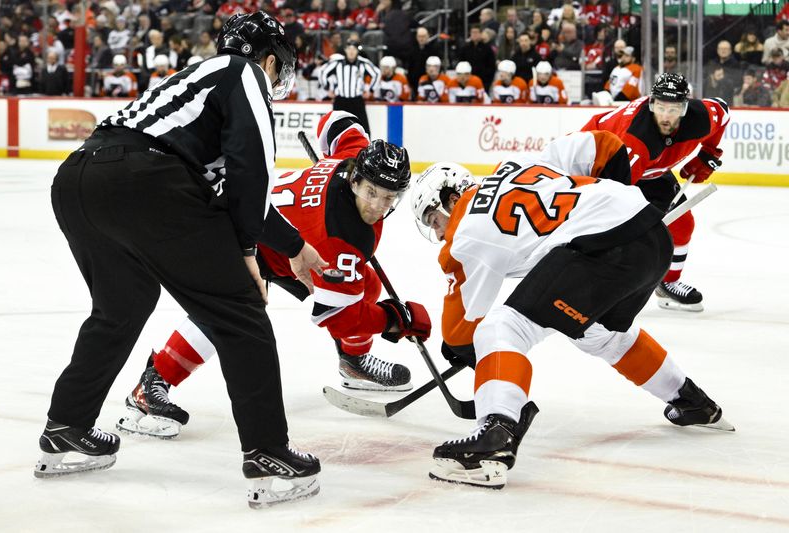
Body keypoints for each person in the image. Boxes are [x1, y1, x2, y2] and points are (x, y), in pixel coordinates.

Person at [35, 12, 328, 508]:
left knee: (119, 309)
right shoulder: (245, 73)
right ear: (271, 59)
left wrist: (295, 246)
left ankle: (66, 426)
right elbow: (248, 172)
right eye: (280, 69)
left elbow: (219, 183)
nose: (277, 79)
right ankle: (268, 453)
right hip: (146, 182)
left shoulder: (192, 85)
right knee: (240, 313)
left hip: (80, 179)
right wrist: (247, 252)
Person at [409, 135, 732, 489]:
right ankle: (692, 401)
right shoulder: (519, 167)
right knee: (601, 336)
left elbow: (459, 331)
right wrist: (615, 200)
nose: (439, 233)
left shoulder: (464, 234)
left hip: (600, 249)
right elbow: (605, 145)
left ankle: (493, 439)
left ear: (451, 197)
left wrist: (463, 352)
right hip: (652, 237)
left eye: (434, 219)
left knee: (501, 329)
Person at [118, 111, 432, 437]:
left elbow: (336, 121)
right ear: (354, 180)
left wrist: (328, 161)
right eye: (371, 193)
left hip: (272, 234)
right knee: (231, 310)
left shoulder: (353, 157)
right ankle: (150, 386)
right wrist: (393, 320)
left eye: (389, 197)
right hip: (232, 232)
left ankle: (354, 362)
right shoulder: (337, 240)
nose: (378, 207)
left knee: (367, 283)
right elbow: (337, 318)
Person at [582, 73, 730, 312]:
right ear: (651, 103)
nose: (665, 116)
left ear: (685, 108)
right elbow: (611, 196)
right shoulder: (636, 141)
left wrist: (709, 154)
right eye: (660, 107)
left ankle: (668, 284)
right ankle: (586, 280)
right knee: (608, 227)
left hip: (649, 170)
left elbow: (723, 111)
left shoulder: (701, 117)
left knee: (682, 223)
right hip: (596, 164)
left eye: (673, 109)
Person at [319, 40, 380, 135]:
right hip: (340, 100)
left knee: (363, 128)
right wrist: (327, 88)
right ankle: (335, 148)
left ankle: (365, 148)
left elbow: (377, 73)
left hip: (357, 100)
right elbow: (322, 71)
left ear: (357, 51)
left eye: (354, 49)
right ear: (345, 50)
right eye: (349, 49)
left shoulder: (363, 63)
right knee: (336, 128)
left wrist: (370, 90)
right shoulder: (337, 63)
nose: (351, 51)